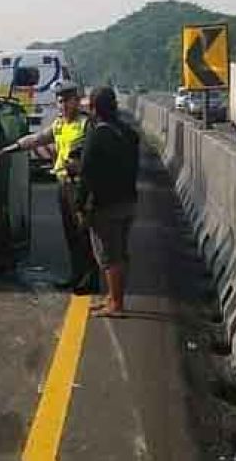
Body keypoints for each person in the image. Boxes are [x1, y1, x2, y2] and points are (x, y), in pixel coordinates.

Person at [0, 81, 98, 293]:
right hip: (63, 185)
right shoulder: (59, 124)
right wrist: (6, 151)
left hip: (80, 187)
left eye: (67, 101)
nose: (63, 105)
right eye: (60, 101)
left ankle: (91, 280)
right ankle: (76, 276)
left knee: (84, 236)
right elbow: (36, 140)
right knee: (71, 235)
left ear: (77, 101)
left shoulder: (87, 124)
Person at [77, 86, 139, 317]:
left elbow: (86, 173)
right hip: (128, 201)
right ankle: (113, 297)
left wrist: (80, 205)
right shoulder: (128, 132)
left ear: (95, 109)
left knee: (109, 256)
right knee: (120, 253)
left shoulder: (96, 136)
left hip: (105, 206)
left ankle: (116, 304)